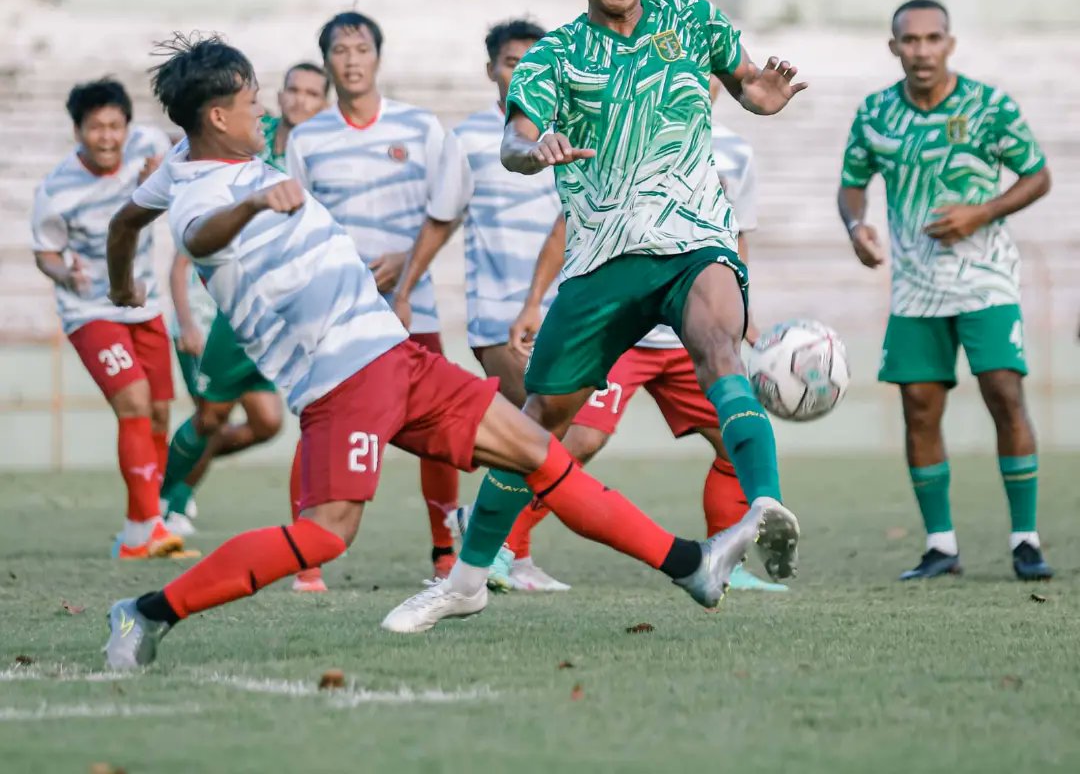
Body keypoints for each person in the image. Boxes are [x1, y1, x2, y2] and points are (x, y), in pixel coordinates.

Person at [103, 35, 781, 669]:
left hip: (395, 356)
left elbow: (127, 218)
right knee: (326, 535)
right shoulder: (204, 194)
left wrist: (120, 278)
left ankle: (690, 564)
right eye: (253, 104)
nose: (264, 115)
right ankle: (145, 612)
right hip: (343, 379)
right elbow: (201, 235)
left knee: (541, 452)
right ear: (219, 116)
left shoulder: (182, 163)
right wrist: (251, 206)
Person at [383, 0, 803, 634]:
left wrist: (761, 96)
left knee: (718, 346)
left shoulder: (693, 20)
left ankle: (765, 504)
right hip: (602, 259)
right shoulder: (552, 58)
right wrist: (529, 148)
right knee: (541, 419)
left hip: (692, 237)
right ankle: (468, 578)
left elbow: (746, 83)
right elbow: (514, 139)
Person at [501, 100, 786, 593]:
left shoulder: (735, 152)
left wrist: (743, 312)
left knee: (730, 437)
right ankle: (500, 546)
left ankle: (727, 559)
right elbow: (566, 224)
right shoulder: (625, 128)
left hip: (690, 328)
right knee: (578, 440)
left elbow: (735, 239)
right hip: (626, 327)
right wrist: (534, 302)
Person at [839, 0, 1053, 581]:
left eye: (933, 39)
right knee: (919, 408)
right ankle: (941, 546)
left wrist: (980, 213)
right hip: (915, 288)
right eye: (910, 40)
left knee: (1004, 395)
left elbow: (1038, 175)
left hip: (987, 281)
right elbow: (852, 184)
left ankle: (1026, 541)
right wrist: (857, 227)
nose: (922, 50)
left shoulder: (989, 106)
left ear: (949, 45)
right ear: (894, 48)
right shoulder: (877, 113)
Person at [390, 18, 566, 590]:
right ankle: (500, 548)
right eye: (511, 63)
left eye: (533, 63)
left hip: (561, 309)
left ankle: (502, 546)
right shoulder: (466, 139)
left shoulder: (568, 133)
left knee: (555, 436)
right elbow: (442, 219)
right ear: (491, 68)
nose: (522, 73)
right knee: (544, 436)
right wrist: (405, 290)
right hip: (496, 314)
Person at [286, 12, 460, 580]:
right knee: (322, 424)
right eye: (341, 50)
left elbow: (450, 206)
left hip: (414, 308)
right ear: (328, 60)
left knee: (438, 434)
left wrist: (405, 273)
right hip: (337, 317)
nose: (353, 59)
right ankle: (305, 562)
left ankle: (446, 552)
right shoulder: (308, 139)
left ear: (378, 57)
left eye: (362, 48)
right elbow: (299, 229)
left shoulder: (420, 127)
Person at [160, 63, 329, 569]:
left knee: (266, 421)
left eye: (311, 94)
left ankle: (176, 484)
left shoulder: (324, 150)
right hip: (216, 311)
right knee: (212, 415)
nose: (299, 100)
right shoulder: (255, 142)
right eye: (291, 91)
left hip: (272, 308)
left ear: (326, 103)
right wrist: (187, 318)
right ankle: (163, 500)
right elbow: (190, 235)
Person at [31, 78, 181, 559]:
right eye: (96, 128)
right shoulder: (56, 188)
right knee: (134, 402)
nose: (108, 137)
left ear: (128, 127)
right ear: (77, 131)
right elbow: (45, 253)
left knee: (159, 411)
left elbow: (186, 151)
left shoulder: (149, 149)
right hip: (91, 310)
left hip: (146, 304)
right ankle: (149, 529)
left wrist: (161, 182)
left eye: (115, 126)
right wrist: (64, 272)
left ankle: (141, 527)